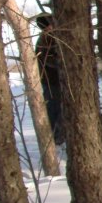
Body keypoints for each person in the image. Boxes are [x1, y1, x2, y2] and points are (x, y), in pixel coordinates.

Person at [34, 14, 64, 145]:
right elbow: (49, 60)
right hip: (51, 81)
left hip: (53, 81)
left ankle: (58, 136)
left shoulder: (49, 37)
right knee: (54, 109)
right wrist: (62, 63)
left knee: (58, 109)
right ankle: (54, 138)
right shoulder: (45, 39)